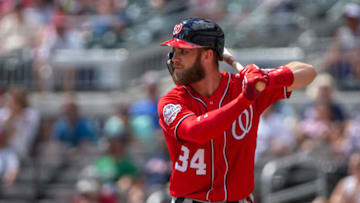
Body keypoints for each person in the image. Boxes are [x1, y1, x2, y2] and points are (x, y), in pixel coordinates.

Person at [158, 18, 316, 203]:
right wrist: (245, 99)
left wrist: (267, 78)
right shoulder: (172, 101)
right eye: (174, 51)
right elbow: (197, 131)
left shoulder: (244, 86)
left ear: (207, 56)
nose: (174, 59)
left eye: (183, 51)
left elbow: (308, 72)